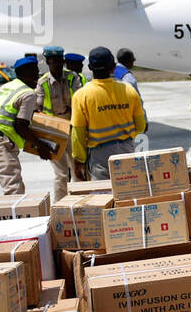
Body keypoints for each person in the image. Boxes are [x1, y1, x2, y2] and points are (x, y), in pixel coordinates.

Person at [0, 56, 52, 194]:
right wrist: (41, 146)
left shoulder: (5, 87)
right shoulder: (28, 94)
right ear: (23, 74)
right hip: (0, 145)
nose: (37, 76)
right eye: (34, 72)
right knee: (15, 191)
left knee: (13, 189)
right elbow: (21, 127)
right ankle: (16, 216)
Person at [71, 47, 146, 181]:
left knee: (105, 196)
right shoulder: (129, 90)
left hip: (100, 157)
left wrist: (79, 160)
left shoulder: (81, 95)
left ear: (89, 67)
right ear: (113, 67)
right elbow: (140, 126)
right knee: (129, 193)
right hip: (127, 151)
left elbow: (78, 134)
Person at [35, 45, 84, 201]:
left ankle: (81, 202)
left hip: (73, 129)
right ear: (47, 61)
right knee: (61, 174)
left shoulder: (73, 78)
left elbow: (80, 99)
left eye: (59, 60)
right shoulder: (42, 83)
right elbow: (38, 109)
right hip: (53, 132)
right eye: (53, 60)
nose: (57, 63)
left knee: (78, 170)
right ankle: (60, 206)